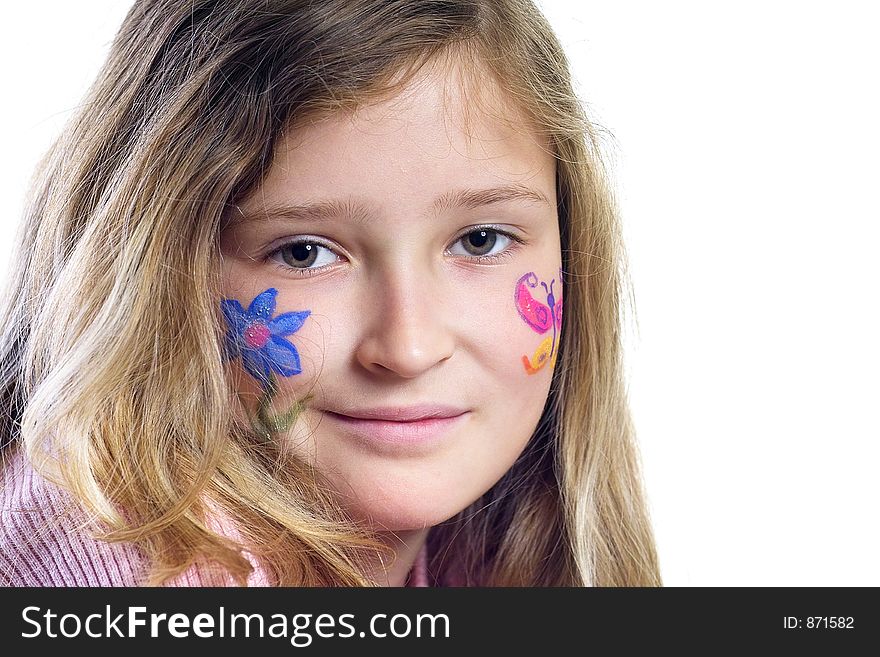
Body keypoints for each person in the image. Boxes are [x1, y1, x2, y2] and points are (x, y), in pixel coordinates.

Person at [0, 0, 661, 587]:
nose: (407, 346)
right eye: (304, 252)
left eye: (481, 240)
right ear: (153, 273)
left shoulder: (489, 546)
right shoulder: (136, 555)